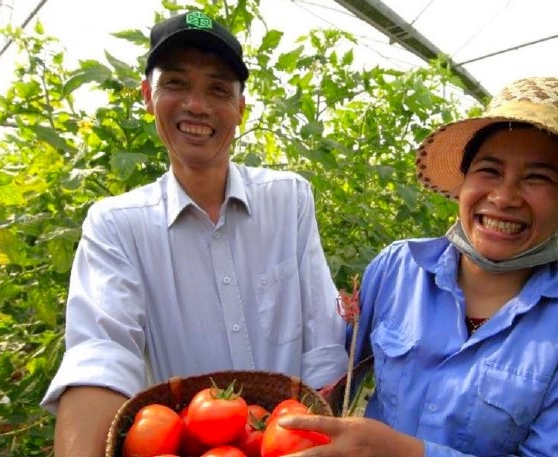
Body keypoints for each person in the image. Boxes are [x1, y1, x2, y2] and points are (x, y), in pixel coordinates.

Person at [279, 77, 558, 457]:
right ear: (463, 183)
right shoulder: (397, 268)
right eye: (489, 170)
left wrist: (406, 452)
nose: (503, 197)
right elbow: (335, 370)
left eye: (538, 178)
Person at [40, 11, 348, 457]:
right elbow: (102, 354)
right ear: (148, 96)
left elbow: (322, 340)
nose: (197, 105)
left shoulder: (289, 199)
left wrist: (313, 437)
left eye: (218, 89)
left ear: (241, 109)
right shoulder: (115, 225)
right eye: (176, 84)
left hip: (289, 440)